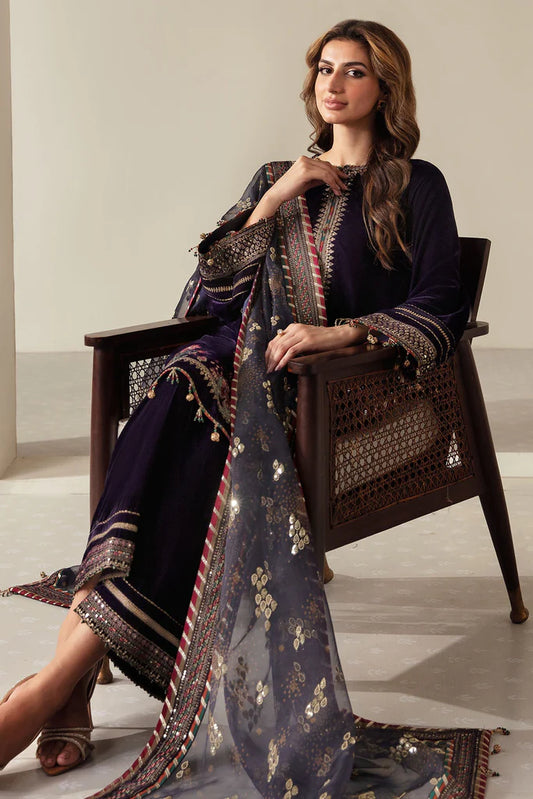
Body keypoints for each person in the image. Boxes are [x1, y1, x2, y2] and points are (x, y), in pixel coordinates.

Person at [1, 19, 472, 798]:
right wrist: (281, 194)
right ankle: (64, 683)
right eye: (324, 68)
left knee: (193, 423)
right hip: (229, 361)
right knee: (180, 385)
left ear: (385, 87)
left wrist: (340, 331)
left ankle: (52, 687)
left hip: (331, 387)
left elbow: (441, 301)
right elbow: (214, 288)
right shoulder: (275, 175)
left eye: (354, 71)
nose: (333, 83)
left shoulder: (415, 185)